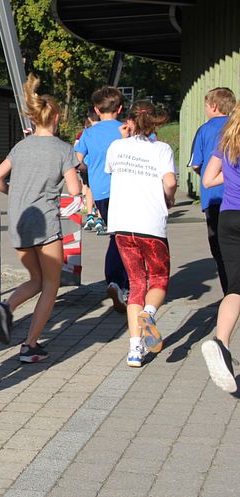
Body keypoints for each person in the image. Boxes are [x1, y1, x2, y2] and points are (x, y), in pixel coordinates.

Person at [0, 74, 81, 362]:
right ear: (55, 118)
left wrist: (13, 194)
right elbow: (75, 189)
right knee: (51, 285)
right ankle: (30, 345)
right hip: (46, 224)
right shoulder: (64, 150)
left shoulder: (21, 147)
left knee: (36, 279)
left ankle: (6, 306)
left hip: (19, 222)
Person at [105, 101, 176, 367]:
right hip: (151, 226)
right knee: (158, 277)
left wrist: (124, 138)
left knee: (136, 283)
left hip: (122, 225)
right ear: (155, 122)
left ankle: (135, 350)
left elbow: (111, 170)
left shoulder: (116, 146)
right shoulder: (162, 149)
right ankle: (149, 313)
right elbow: (169, 182)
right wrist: (169, 199)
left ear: (130, 121)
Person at [74, 86, 130, 313]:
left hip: (101, 192)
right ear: (120, 108)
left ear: (96, 110)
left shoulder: (88, 133)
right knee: (126, 238)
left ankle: (114, 281)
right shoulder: (126, 129)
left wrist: (92, 169)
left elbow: (76, 160)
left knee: (115, 235)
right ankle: (122, 283)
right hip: (126, 189)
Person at [201, 100, 240, 393]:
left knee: (235, 288)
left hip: (228, 218)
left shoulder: (227, 142)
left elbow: (208, 178)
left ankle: (221, 343)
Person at [188, 88, 236, 295]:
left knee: (220, 249)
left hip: (215, 198)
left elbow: (196, 164)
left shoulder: (204, 130)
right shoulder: (236, 126)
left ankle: (230, 293)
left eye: (206, 106)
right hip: (236, 195)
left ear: (213, 106)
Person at [75, 110, 104, 234]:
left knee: (89, 189)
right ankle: (100, 219)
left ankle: (90, 215)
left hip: (87, 165)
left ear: (90, 120)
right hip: (102, 166)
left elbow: (77, 152)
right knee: (102, 191)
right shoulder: (104, 132)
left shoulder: (86, 133)